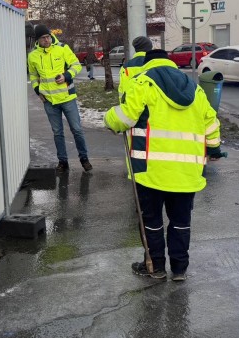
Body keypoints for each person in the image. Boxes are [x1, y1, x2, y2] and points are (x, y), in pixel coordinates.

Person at [104, 49, 222, 281]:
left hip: (150, 170)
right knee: (180, 222)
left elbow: (124, 117)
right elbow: (211, 121)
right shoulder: (194, 89)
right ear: (169, 63)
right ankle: (179, 269)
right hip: (186, 171)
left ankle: (155, 266)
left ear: (147, 64)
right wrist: (215, 147)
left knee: (151, 221)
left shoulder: (141, 83)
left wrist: (109, 118)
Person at [28, 24, 92, 173]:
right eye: (43, 38)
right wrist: (38, 90)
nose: (47, 40)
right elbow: (33, 75)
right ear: (38, 39)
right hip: (49, 101)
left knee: (77, 130)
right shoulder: (32, 56)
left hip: (67, 98)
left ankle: (84, 159)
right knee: (57, 133)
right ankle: (63, 162)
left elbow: (76, 65)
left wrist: (66, 76)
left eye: (48, 36)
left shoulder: (62, 48)